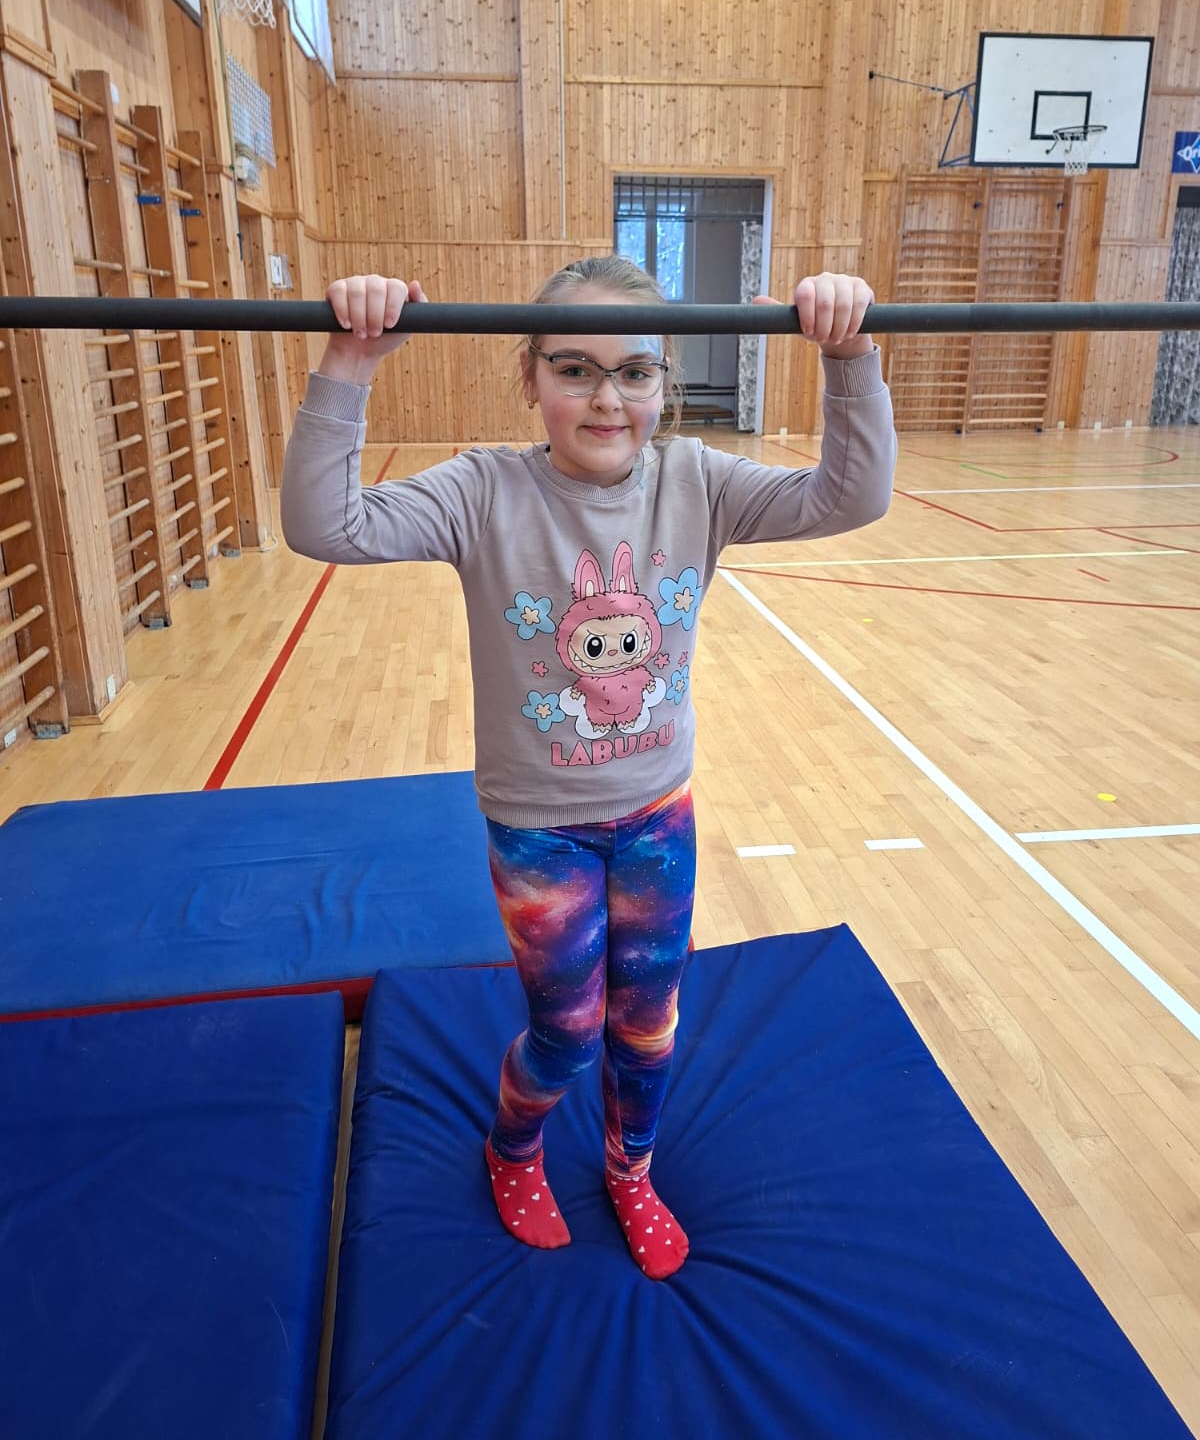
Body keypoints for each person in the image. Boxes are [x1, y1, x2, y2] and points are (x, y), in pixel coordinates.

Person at [280, 257, 896, 1281]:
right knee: (566, 1032)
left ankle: (629, 1167)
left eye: (635, 372)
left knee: (647, 1029)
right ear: (530, 377)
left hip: (657, 813)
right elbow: (323, 525)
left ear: (665, 379)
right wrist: (352, 361)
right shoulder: (483, 490)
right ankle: (514, 1148)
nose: (608, 399)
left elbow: (851, 496)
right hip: (539, 828)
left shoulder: (698, 483)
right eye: (575, 369)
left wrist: (849, 353)